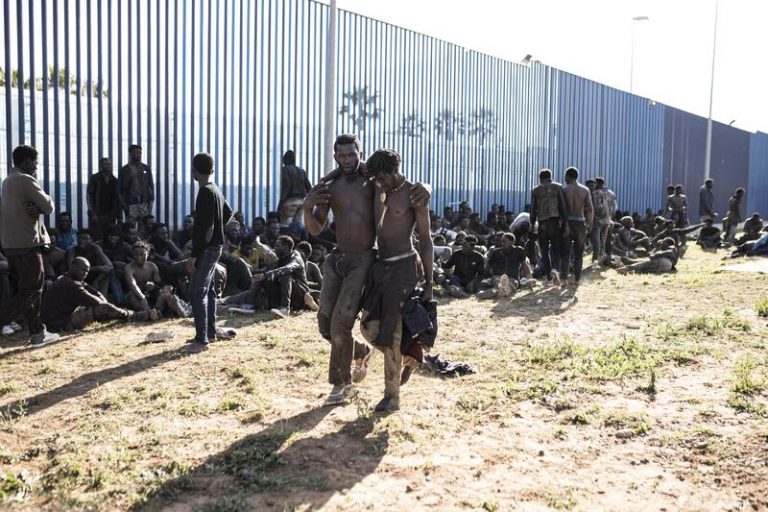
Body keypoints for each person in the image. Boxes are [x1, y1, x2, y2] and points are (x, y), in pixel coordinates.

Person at [303, 134, 429, 407]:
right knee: (326, 324)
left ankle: (342, 385)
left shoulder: (372, 181)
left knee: (347, 324)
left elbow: (401, 183)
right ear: (335, 156)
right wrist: (306, 207)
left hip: (366, 260)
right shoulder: (331, 185)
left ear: (360, 153)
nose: (347, 160)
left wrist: (426, 187)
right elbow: (316, 228)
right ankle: (360, 352)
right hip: (338, 260)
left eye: (352, 154)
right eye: (342, 155)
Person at [359, 149, 433, 412]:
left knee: (391, 331)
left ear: (394, 171)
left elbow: (426, 240)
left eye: (382, 178)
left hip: (403, 267)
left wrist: (430, 283)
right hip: (381, 267)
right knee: (367, 327)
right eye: (376, 179)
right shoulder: (378, 187)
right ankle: (410, 354)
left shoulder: (414, 194)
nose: (379, 183)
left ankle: (392, 397)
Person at [0, 145, 60, 348]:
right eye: (35, 162)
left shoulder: (8, 180)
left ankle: (37, 333)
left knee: (30, 289)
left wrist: (34, 206)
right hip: (27, 244)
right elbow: (48, 206)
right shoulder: (26, 180)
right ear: (26, 162)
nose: (36, 166)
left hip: (12, 245)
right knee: (31, 290)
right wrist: (39, 201)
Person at [184, 152, 235, 352]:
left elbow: (202, 227)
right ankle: (211, 333)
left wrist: (194, 255)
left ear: (194, 171)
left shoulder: (204, 192)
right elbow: (229, 213)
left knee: (198, 291)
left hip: (206, 249)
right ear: (212, 170)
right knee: (210, 290)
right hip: (216, 247)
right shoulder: (216, 190)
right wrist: (218, 229)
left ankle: (201, 339)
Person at [41, 257, 158, 332]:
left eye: (87, 270)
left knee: (102, 306)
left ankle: (137, 314)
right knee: (103, 309)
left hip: (56, 320)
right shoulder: (72, 284)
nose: (85, 273)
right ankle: (138, 315)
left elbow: (93, 291)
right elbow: (98, 303)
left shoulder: (66, 277)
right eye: (82, 270)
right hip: (60, 324)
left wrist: (102, 299)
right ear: (73, 267)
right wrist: (109, 306)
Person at [254, 235, 318, 318]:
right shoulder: (278, 258)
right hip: (284, 295)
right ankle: (248, 303)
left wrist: (266, 275)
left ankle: (285, 309)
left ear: (285, 247)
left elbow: (288, 268)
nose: (275, 248)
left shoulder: (296, 257)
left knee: (284, 274)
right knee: (261, 278)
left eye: (277, 246)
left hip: (301, 297)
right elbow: (264, 272)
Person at [124, 241, 189, 319]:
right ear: (133, 254)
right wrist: (142, 297)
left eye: (142, 254)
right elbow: (132, 285)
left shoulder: (152, 266)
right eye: (136, 254)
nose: (139, 257)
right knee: (132, 295)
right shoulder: (129, 268)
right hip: (137, 296)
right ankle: (148, 313)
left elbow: (159, 284)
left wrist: (154, 286)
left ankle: (173, 310)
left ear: (147, 254)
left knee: (165, 291)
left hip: (150, 295)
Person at [530, 168, 566, 284]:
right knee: (556, 249)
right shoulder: (558, 187)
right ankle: (556, 270)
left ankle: (549, 276)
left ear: (540, 178)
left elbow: (533, 209)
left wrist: (532, 223)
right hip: (555, 222)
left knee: (544, 251)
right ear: (551, 177)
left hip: (542, 223)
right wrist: (564, 221)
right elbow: (562, 205)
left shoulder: (535, 190)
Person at [561, 167, 593, 285]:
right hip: (580, 223)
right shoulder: (585, 190)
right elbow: (590, 209)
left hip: (568, 223)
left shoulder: (564, 190)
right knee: (579, 254)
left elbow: (562, 209)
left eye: (565, 176)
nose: (565, 178)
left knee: (566, 253)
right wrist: (590, 224)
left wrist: (564, 224)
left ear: (568, 176)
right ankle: (578, 279)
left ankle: (564, 279)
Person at [477, 233, 534, 299]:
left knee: (510, 285)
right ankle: (498, 290)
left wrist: (530, 279)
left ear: (512, 242)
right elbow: (488, 267)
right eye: (501, 241)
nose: (502, 243)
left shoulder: (518, 251)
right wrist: (485, 276)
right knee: (492, 282)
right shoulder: (496, 252)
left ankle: (499, 291)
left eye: (504, 241)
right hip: (497, 277)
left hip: (512, 278)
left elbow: (525, 266)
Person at [66, 229, 114, 296]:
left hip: (93, 276)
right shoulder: (72, 250)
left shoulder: (95, 248)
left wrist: (97, 280)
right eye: (79, 238)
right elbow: (71, 269)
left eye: (86, 239)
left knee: (106, 275)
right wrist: (97, 268)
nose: (82, 241)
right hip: (78, 277)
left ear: (91, 240)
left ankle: (102, 300)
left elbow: (110, 266)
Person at [118, 144, 154, 224]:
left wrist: (151, 202)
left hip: (144, 203)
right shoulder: (125, 169)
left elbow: (151, 186)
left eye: (140, 153)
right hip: (131, 204)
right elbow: (119, 189)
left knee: (144, 227)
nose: (139, 155)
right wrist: (124, 205)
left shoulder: (146, 168)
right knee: (131, 228)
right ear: (130, 154)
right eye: (136, 153)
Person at [87, 157, 121, 241]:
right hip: (98, 213)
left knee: (109, 236)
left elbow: (117, 199)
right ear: (101, 166)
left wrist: (118, 215)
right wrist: (93, 213)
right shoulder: (95, 178)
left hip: (111, 214)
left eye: (109, 164)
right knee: (97, 236)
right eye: (106, 164)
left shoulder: (115, 180)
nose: (108, 166)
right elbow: (89, 196)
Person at [278, 150, 312, 225]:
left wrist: (280, 205)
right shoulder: (302, 171)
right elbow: (309, 188)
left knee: (285, 226)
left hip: (289, 202)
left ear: (285, 160)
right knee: (297, 226)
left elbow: (286, 188)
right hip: (301, 202)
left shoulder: (285, 170)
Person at [592, 176, 617, 266]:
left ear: (596, 183)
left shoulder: (596, 193)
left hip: (598, 220)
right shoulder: (611, 194)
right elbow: (614, 209)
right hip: (608, 220)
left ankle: (595, 261)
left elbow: (595, 207)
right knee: (603, 241)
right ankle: (601, 259)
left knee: (596, 242)